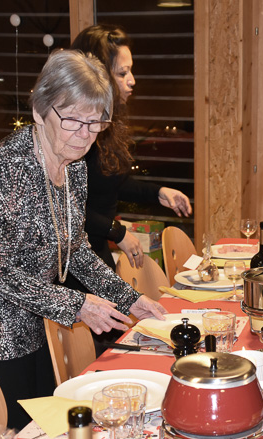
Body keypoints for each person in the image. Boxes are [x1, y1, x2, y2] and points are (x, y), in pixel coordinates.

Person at [0, 50, 167, 430]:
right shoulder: (11, 169)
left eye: (96, 123)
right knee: (9, 435)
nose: (85, 135)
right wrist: (76, 304)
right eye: (73, 120)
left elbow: (77, 250)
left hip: (28, 312)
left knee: (43, 423)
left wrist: (130, 298)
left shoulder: (74, 168)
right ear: (40, 111)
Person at [69, 24, 192, 272]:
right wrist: (117, 231)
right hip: (74, 260)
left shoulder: (107, 124)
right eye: (122, 73)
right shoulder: (76, 133)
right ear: (96, 76)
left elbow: (110, 183)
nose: (132, 81)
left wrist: (158, 193)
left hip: (96, 249)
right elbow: (67, 209)